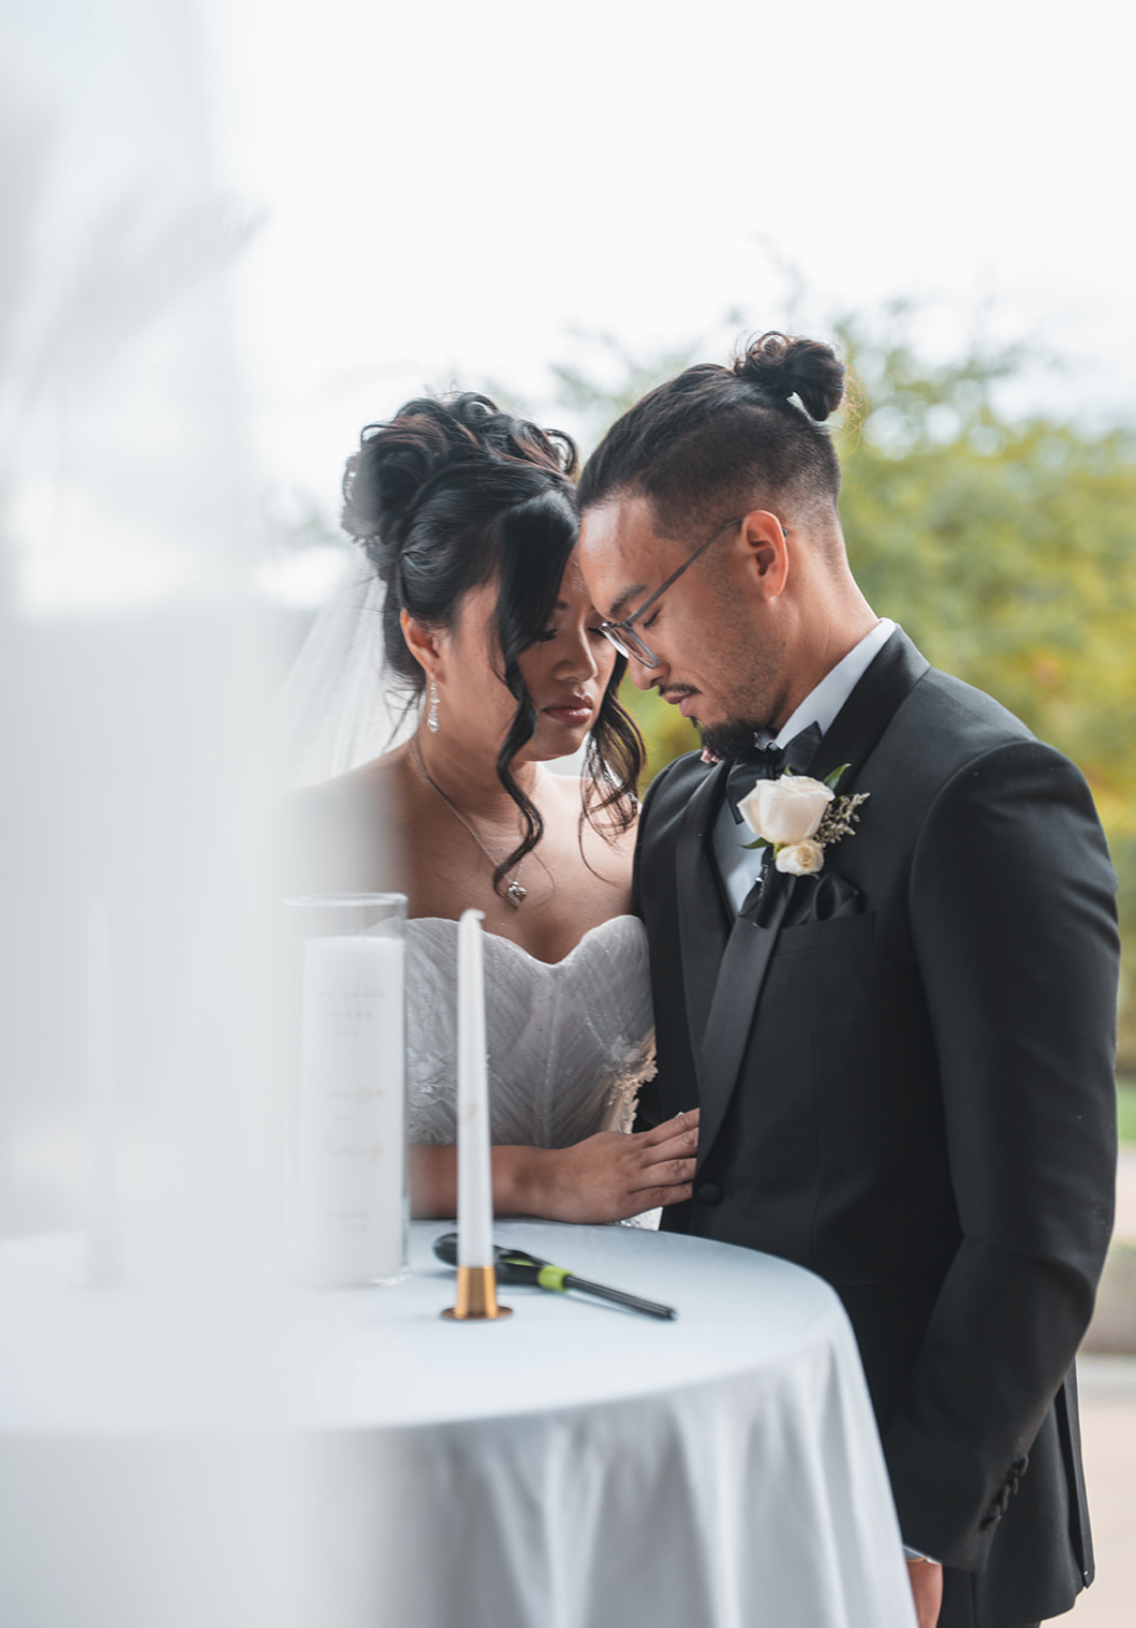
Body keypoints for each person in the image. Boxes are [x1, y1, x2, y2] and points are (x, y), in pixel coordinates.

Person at [576, 333, 1119, 1628]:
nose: (629, 664)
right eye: (610, 629)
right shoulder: (685, 805)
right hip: (726, 1462)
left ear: (764, 551)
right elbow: (704, 1140)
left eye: (641, 613)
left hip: (916, 1510)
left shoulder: (988, 794)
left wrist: (920, 1513)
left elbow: (1041, 1229)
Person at [282, 391, 698, 1223]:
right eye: (540, 628)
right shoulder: (315, 839)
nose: (583, 668)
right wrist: (535, 1180)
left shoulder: (630, 828)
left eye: (601, 627)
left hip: (621, 1290)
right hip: (392, 1290)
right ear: (425, 637)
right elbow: (255, 1148)